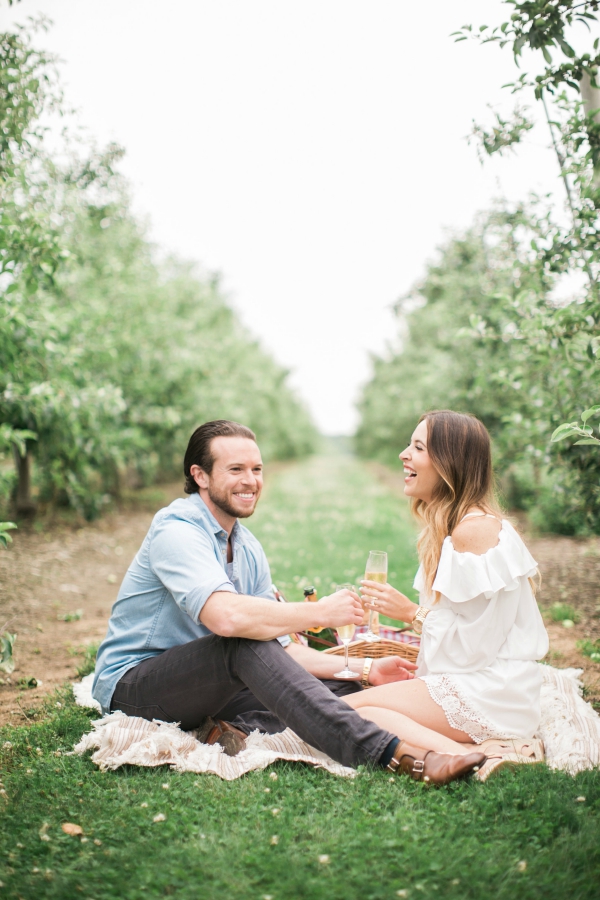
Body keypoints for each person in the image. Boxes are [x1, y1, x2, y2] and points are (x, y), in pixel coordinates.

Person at [92, 419, 485, 784]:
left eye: (257, 470)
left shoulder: (245, 546)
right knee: (242, 645)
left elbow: (280, 652)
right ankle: (397, 755)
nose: (251, 481)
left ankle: (460, 742)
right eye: (236, 470)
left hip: (209, 684)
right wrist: (318, 612)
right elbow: (227, 620)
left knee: (334, 688)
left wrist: (364, 669)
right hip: (137, 686)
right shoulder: (176, 531)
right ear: (200, 476)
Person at [347, 410, 549, 780]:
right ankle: (476, 750)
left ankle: (478, 756)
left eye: (418, 447)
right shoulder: (455, 527)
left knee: (346, 713)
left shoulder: (475, 532)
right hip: (483, 682)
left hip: (493, 691)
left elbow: (474, 648)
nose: (403, 455)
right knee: (349, 710)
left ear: (448, 463)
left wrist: (411, 613)